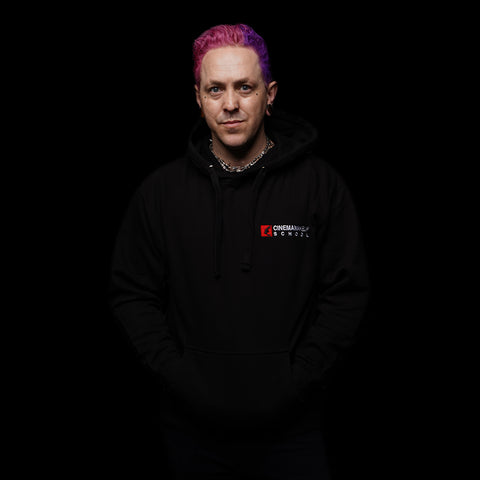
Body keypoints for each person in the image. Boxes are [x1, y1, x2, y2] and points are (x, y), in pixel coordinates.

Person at [109, 23, 369, 479]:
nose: (230, 103)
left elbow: (345, 294)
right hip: (189, 435)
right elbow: (132, 293)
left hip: (294, 434)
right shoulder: (160, 194)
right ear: (198, 98)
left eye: (244, 87)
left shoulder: (319, 187)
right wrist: (179, 375)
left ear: (269, 95)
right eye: (216, 89)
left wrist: (298, 379)